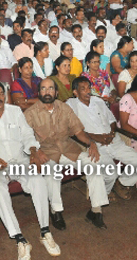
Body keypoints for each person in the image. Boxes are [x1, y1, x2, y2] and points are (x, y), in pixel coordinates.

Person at [0, 81, 61, 259]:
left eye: (1, 93)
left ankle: (45, 231)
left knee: (38, 180)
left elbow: (27, 135)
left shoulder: (14, 111)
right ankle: (19, 239)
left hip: (19, 159)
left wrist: (34, 152)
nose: (0, 98)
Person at [24, 78, 109, 229]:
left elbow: (78, 131)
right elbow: (24, 137)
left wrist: (91, 143)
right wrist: (36, 151)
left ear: (56, 92)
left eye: (51, 88)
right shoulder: (30, 113)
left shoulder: (64, 108)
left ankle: (96, 211)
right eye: (43, 89)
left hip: (68, 149)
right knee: (52, 172)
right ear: (39, 92)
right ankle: (56, 211)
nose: (47, 91)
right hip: (47, 152)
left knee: (93, 163)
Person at [68, 76, 137, 200]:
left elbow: (112, 120)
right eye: (83, 89)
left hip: (113, 141)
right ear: (75, 92)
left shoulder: (98, 101)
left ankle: (121, 183)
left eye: (89, 87)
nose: (88, 91)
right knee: (111, 173)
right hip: (94, 145)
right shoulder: (71, 105)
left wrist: (111, 134)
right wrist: (97, 138)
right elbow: (73, 131)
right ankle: (107, 190)